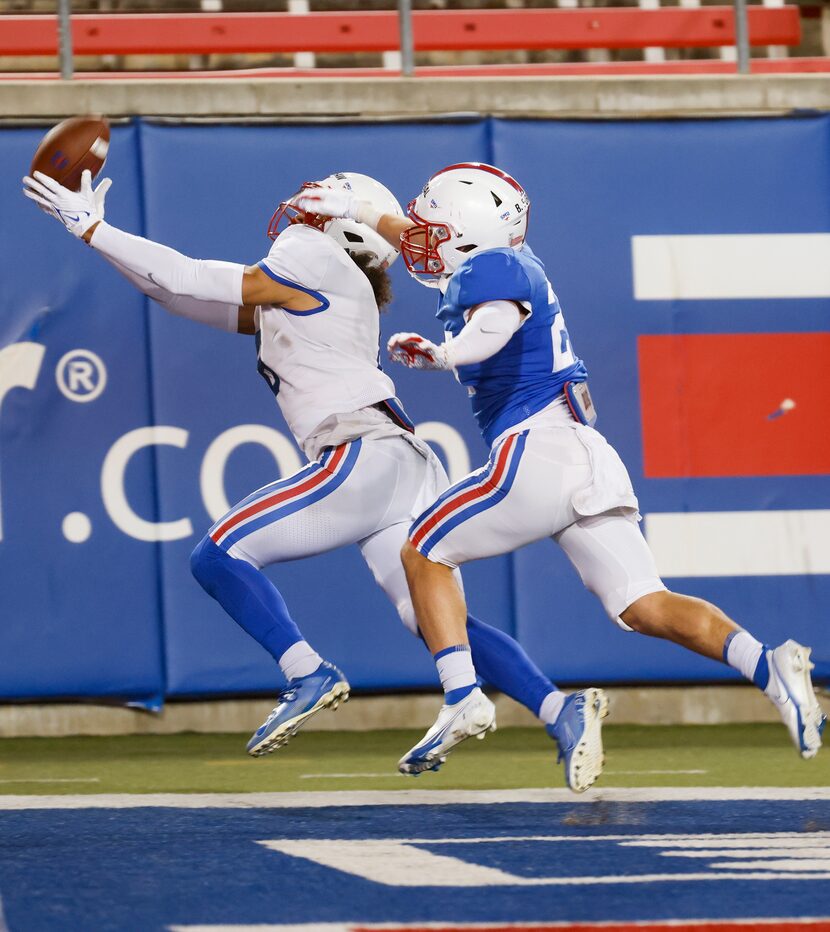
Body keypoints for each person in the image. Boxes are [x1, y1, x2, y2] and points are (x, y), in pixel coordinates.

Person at [23, 167, 608, 792]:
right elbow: (173, 294)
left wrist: (93, 230)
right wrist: (104, 241)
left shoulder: (312, 255)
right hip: (398, 457)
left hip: (360, 451)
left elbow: (187, 275)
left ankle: (308, 672)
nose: (305, 209)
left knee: (218, 555)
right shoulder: (324, 279)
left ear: (346, 228)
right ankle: (556, 708)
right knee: (429, 619)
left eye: (324, 200)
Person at [296, 160, 827, 766]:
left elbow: (494, 324)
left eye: (434, 222)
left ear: (465, 230)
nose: (420, 232)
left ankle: (463, 694)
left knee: (420, 550)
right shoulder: (497, 258)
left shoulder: (494, 269)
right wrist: (357, 212)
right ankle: (769, 665)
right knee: (642, 604)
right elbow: (415, 239)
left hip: (535, 449)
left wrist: (446, 354)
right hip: (585, 453)